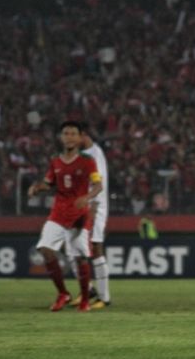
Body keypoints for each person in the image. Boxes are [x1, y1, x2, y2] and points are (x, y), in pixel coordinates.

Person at [28, 121, 102, 312]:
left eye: (73, 134)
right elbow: (48, 183)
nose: (69, 137)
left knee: (80, 256)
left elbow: (98, 186)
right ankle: (63, 293)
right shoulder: (55, 161)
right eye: (66, 133)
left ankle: (85, 299)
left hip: (79, 214)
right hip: (59, 213)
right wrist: (37, 188)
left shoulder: (87, 161)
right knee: (45, 249)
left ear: (79, 138)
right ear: (61, 137)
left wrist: (86, 197)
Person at [69, 122, 111, 309]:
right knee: (72, 247)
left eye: (74, 136)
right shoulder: (81, 155)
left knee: (95, 247)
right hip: (81, 206)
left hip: (95, 206)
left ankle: (104, 297)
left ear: (83, 135)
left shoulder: (95, 154)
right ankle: (88, 289)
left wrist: (93, 209)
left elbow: (97, 184)